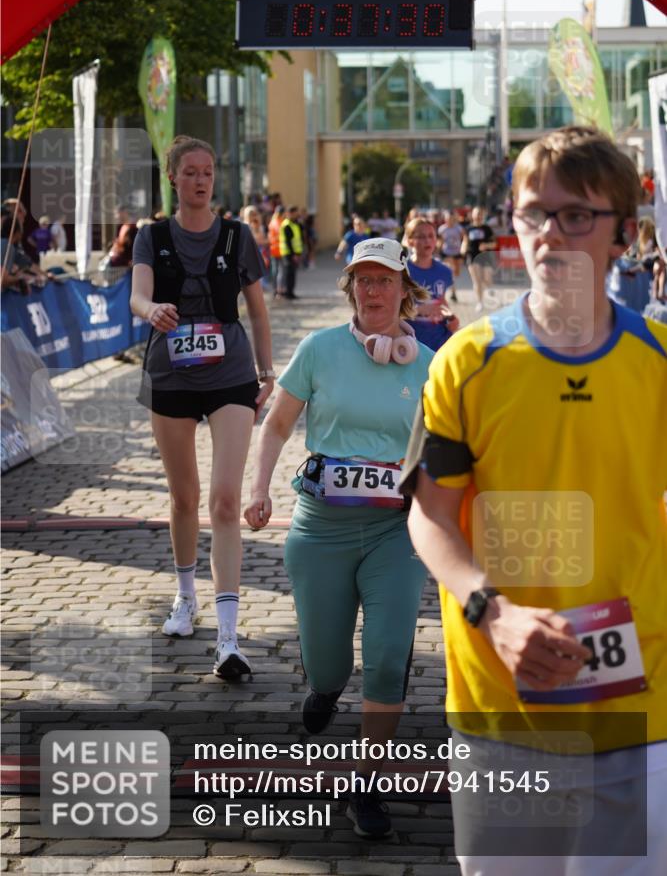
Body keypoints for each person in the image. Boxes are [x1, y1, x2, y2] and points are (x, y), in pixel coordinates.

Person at [402, 126, 666, 875]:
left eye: (576, 214)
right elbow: (430, 514)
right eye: (533, 213)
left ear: (624, 234)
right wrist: (495, 612)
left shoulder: (657, 363)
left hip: (639, 703)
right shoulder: (466, 362)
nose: (550, 232)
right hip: (499, 704)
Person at [245, 237, 433, 839]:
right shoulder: (319, 349)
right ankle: (326, 688)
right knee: (328, 661)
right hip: (320, 528)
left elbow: (450, 447)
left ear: (405, 289)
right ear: (351, 288)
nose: (374, 291)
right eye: (363, 280)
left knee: (387, 659)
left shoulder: (430, 365)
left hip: (396, 532)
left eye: (385, 280)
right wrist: (259, 488)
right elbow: (277, 423)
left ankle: (367, 786)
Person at [130, 135, 274, 681]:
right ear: (173, 177)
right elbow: (137, 295)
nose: (200, 180)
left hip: (230, 374)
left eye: (208, 171)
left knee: (225, 499)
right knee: (184, 497)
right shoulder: (151, 236)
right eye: (190, 171)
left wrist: (266, 372)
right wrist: (152, 310)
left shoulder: (237, 236)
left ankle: (228, 639)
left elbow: (258, 311)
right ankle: (185, 596)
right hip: (170, 374)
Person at [404, 215, 459, 352]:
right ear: (410, 241)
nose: (427, 240)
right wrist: (418, 310)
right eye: (421, 237)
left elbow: (441, 301)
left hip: (439, 339)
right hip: (410, 343)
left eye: (431, 236)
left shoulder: (444, 271)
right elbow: (390, 313)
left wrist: (451, 317)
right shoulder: (401, 271)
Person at [461, 205, 497, 312]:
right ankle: (480, 302)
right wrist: (463, 249)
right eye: (476, 214)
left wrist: (486, 245)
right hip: (472, 256)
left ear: (483, 216)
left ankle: (488, 287)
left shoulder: (487, 229)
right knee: (477, 280)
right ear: (472, 215)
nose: (478, 216)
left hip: (485, 257)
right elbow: (465, 241)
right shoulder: (468, 229)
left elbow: (494, 244)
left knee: (487, 279)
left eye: (480, 214)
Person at [437, 208, 466, 301]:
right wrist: (438, 250)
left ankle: (452, 290)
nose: (449, 220)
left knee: (456, 273)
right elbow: (440, 241)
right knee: (450, 271)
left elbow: (464, 239)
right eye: (448, 219)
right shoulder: (442, 229)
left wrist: (463, 248)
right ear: (445, 219)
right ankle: (452, 293)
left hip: (457, 253)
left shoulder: (459, 228)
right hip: (446, 252)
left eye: (451, 219)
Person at [278, 204, 303, 300]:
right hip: (288, 253)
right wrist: (293, 255)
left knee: (292, 273)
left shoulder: (295, 224)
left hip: (295, 253)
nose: (297, 215)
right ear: (290, 213)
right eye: (296, 213)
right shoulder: (286, 225)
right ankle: (287, 293)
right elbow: (288, 241)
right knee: (288, 273)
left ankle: (291, 292)